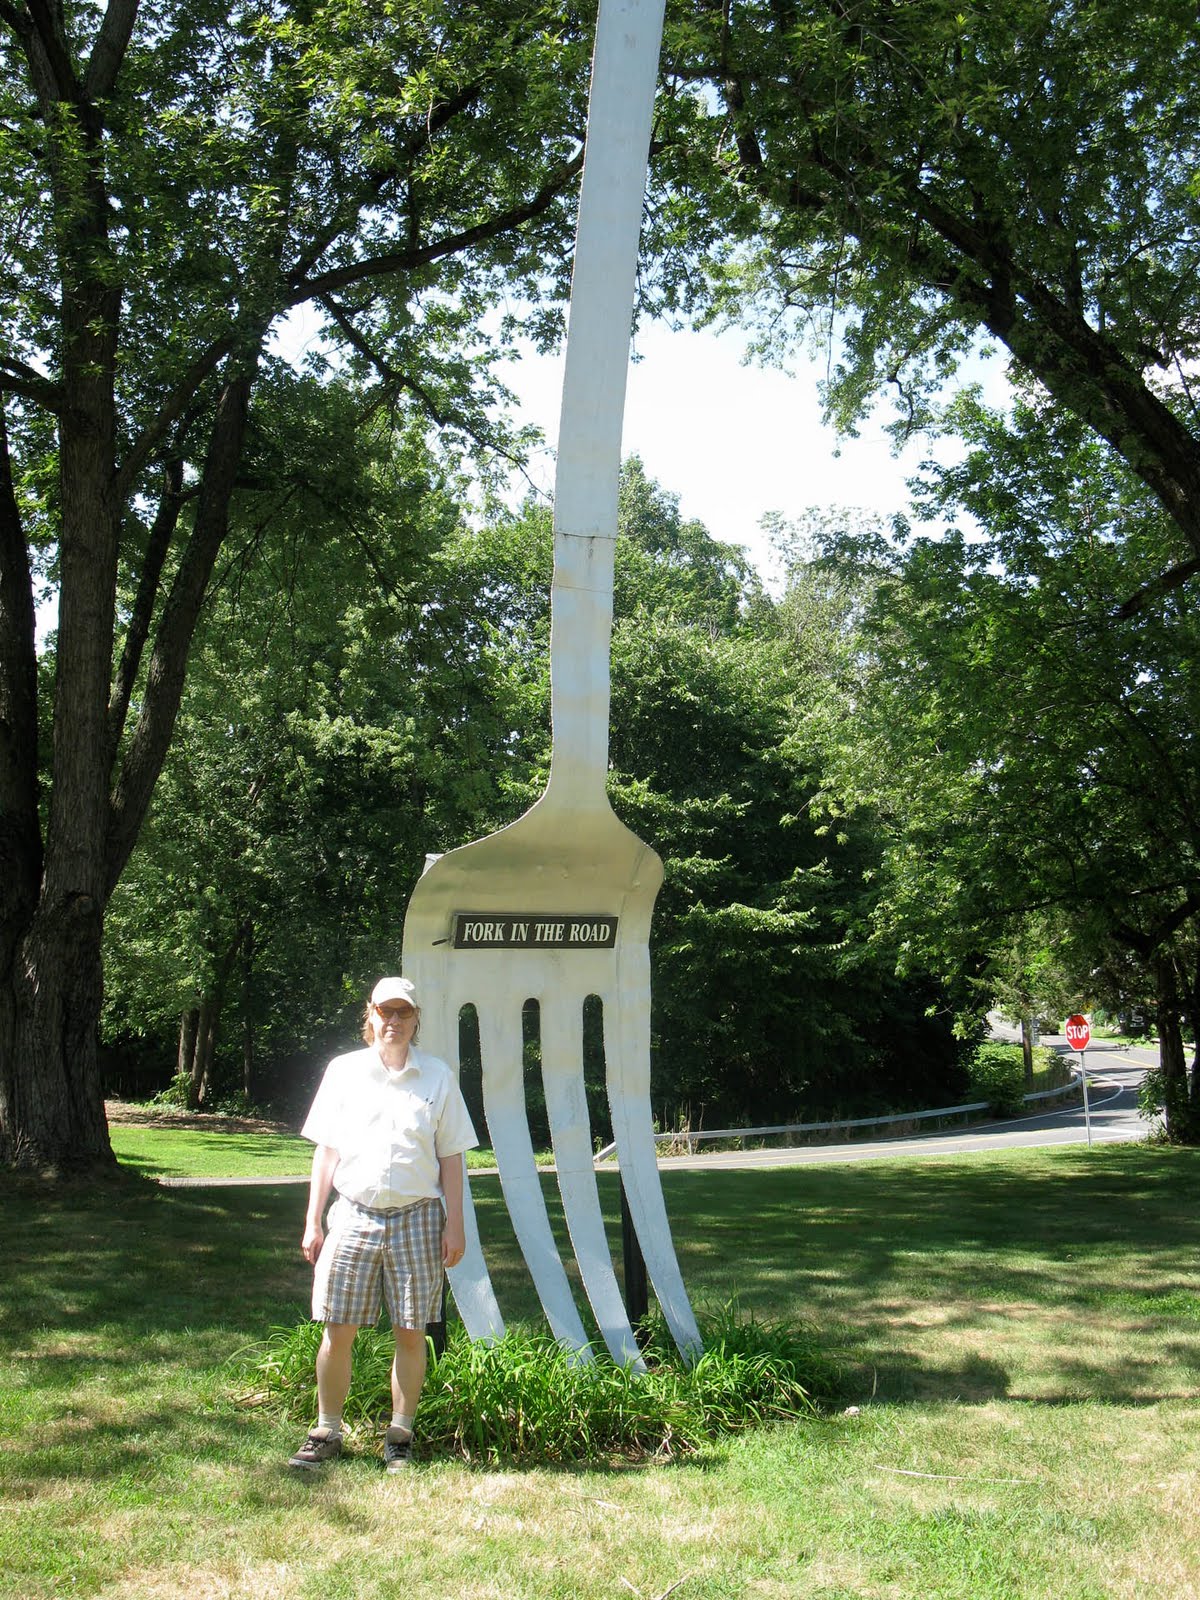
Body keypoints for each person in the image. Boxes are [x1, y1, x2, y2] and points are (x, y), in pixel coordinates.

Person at [287, 975, 477, 1471]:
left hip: (418, 1217)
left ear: (416, 1020)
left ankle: (400, 1435)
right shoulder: (343, 1072)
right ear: (369, 1015)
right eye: (385, 1012)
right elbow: (326, 1151)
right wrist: (313, 1221)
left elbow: (451, 1157)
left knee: (412, 1331)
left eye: (404, 1013)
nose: (393, 1021)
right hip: (353, 1214)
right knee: (338, 1327)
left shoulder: (437, 1076)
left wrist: (454, 1225)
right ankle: (327, 1430)